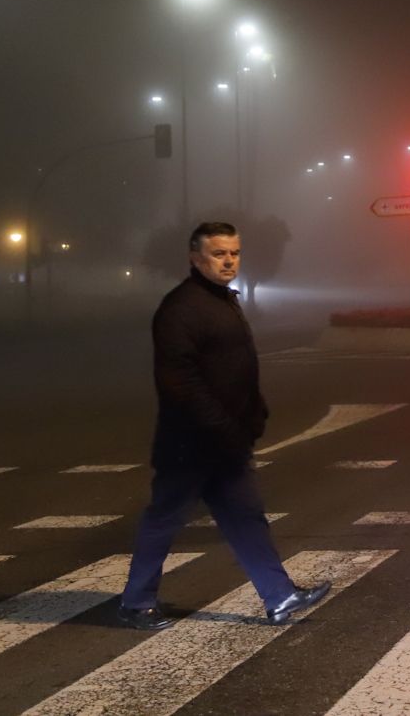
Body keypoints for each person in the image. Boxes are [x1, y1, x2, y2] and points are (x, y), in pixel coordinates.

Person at [118, 221, 330, 630]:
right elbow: (180, 381)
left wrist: (254, 411)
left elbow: (233, 369)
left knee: (247, 517)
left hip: (226, 443)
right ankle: (135, 603)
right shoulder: (181, 309)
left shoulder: (221, 301)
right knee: (164, 520)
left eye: (234, 252)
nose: (229, 260)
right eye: (219, 253)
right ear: (196, 259)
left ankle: (280, 596)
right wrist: (224, 426)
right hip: (190, 445)